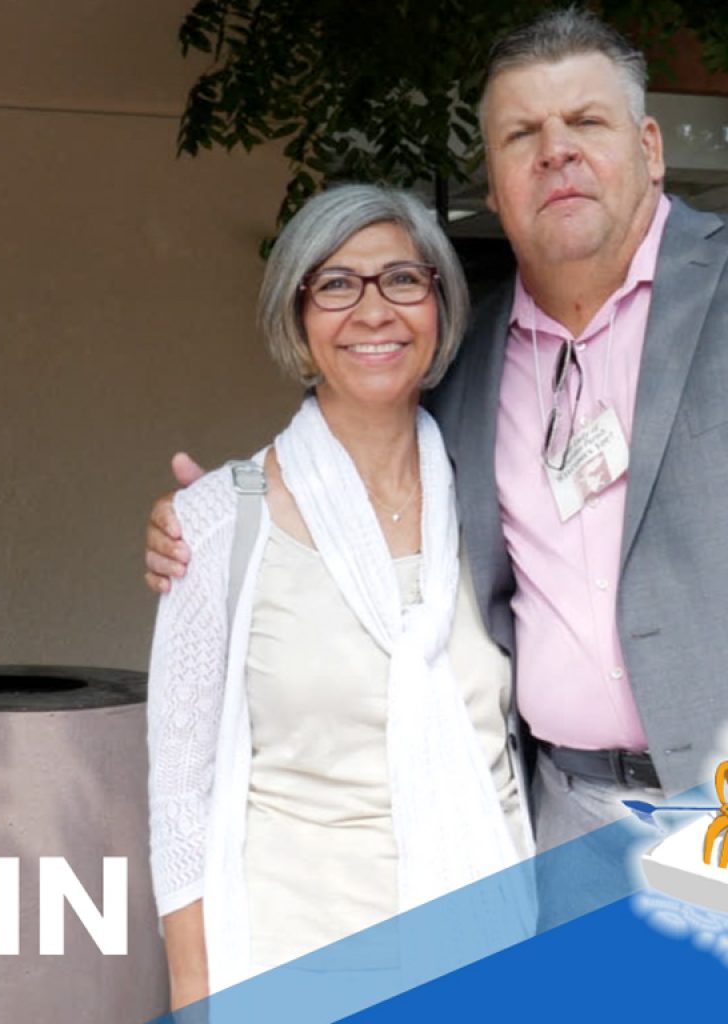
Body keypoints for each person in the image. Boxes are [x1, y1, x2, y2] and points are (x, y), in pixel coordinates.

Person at [145, 8, 728, 862]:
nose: (555, 150)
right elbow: (361, 481)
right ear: (492, 183)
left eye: (586, 123)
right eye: (522, 133)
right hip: (560, 820)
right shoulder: (461, 367)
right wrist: (204, 522)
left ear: (649, 146)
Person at [147, 184, 533, 1008]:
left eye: (402, 279)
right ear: (298, 317)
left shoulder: (497, 503)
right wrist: (194, 995)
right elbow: (180, 798)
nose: (372, 310)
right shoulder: (217, 524)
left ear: (439, 303)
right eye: (336, 283)